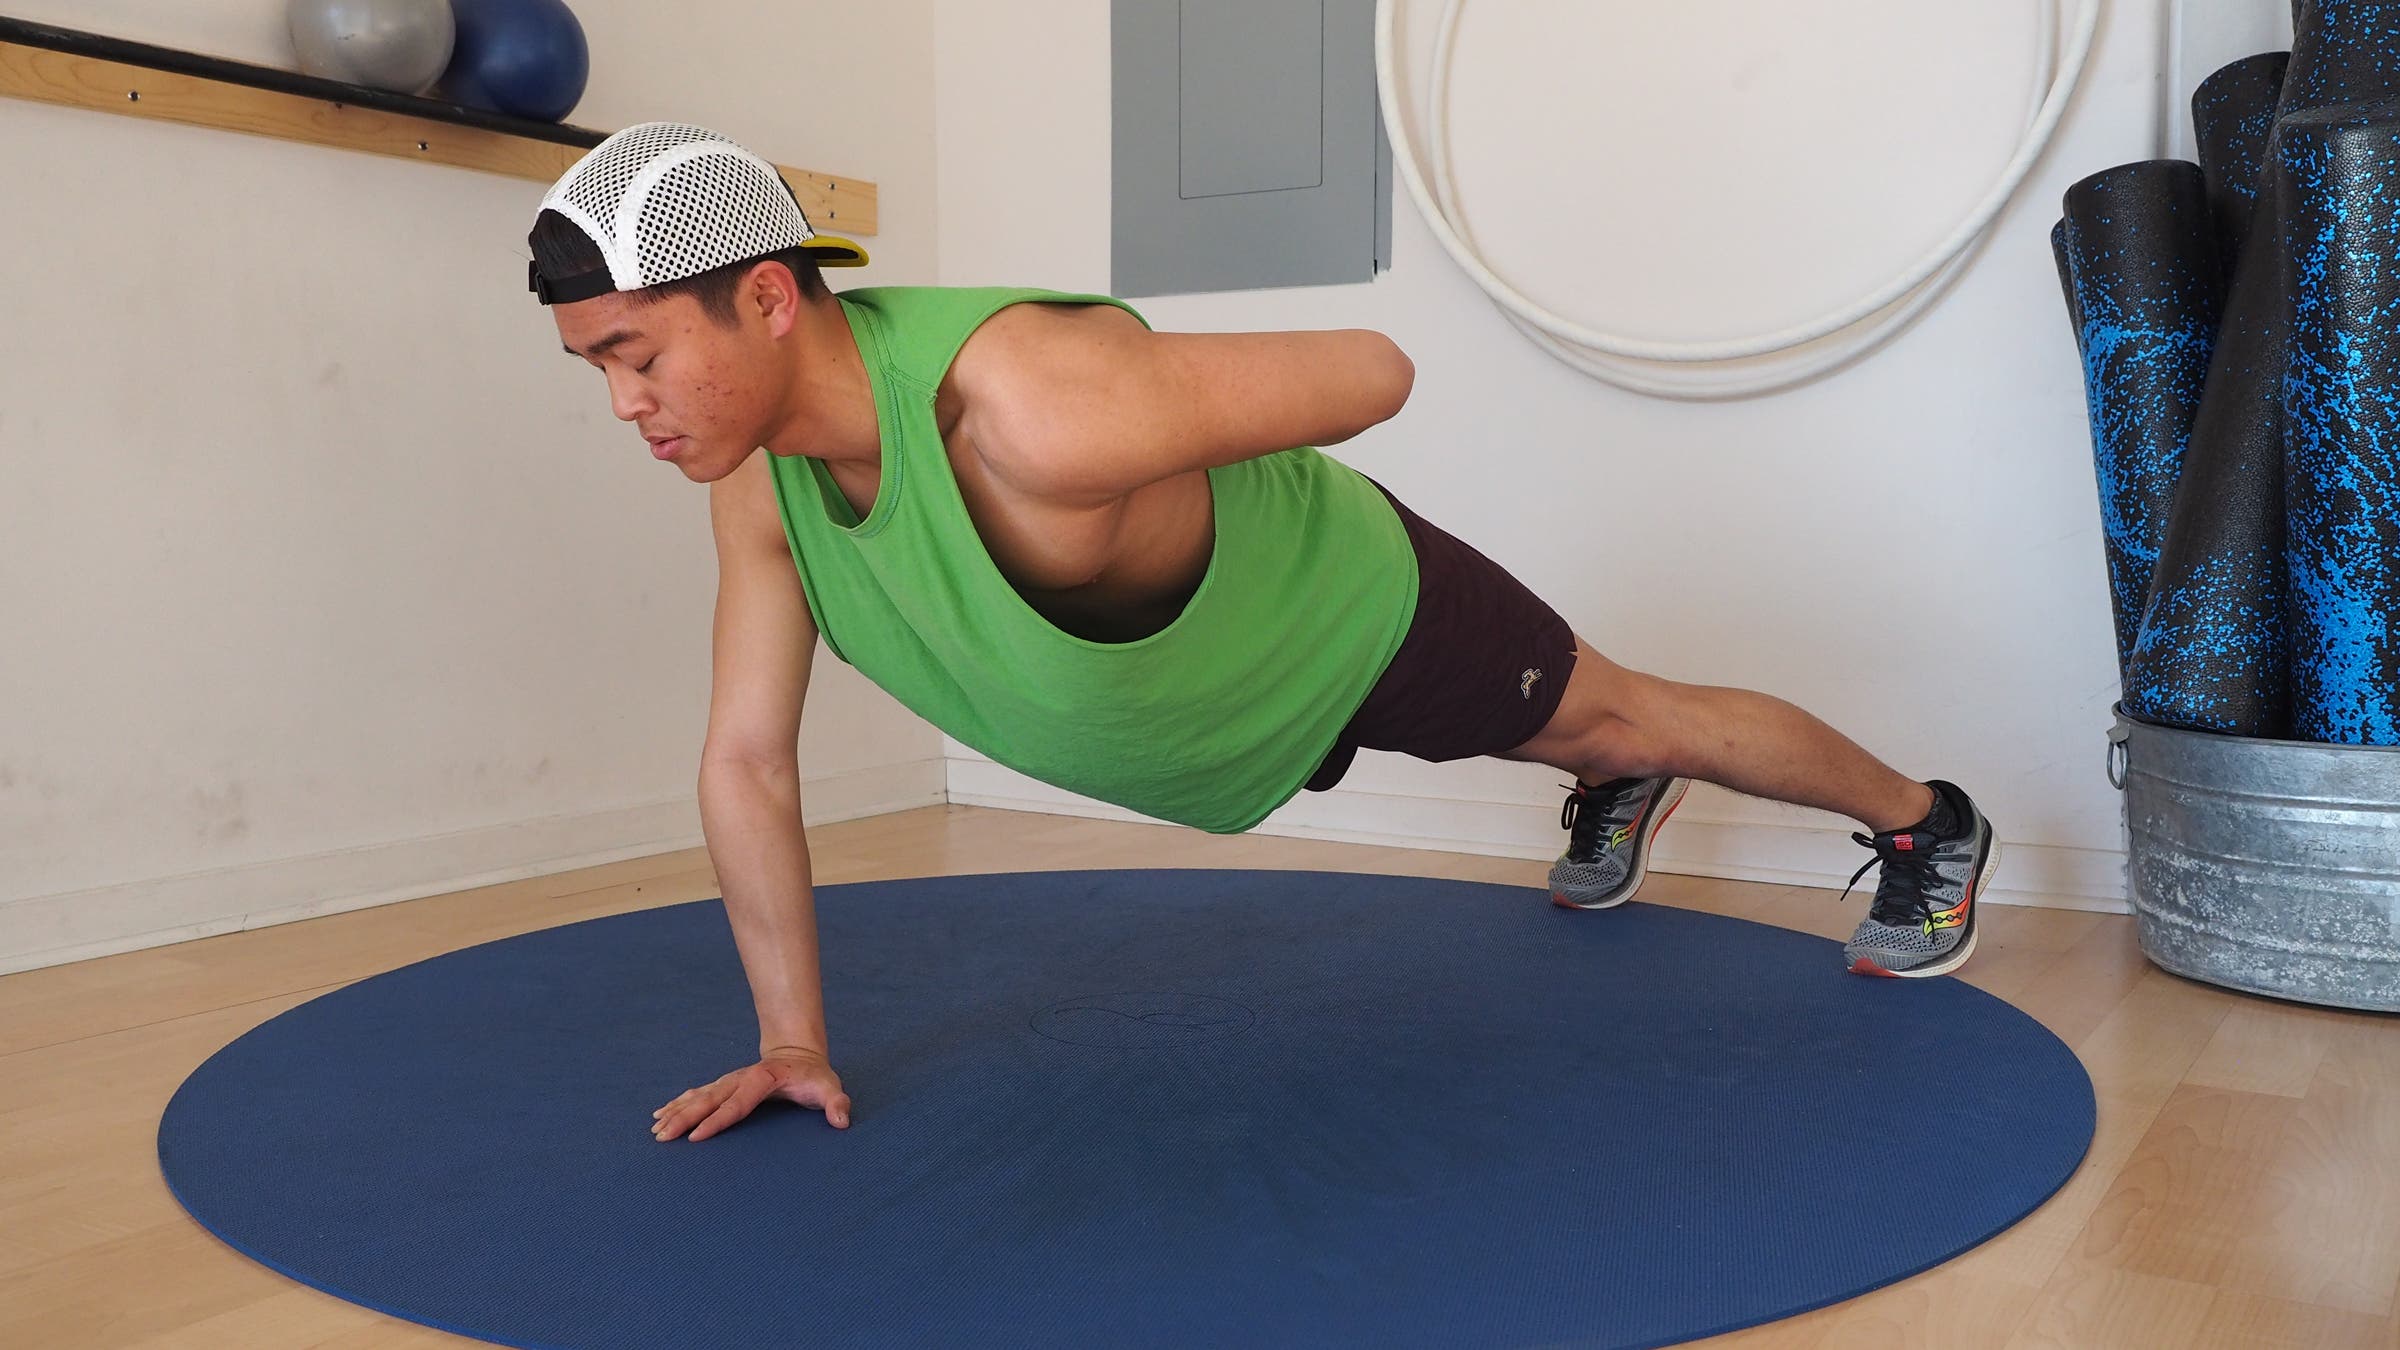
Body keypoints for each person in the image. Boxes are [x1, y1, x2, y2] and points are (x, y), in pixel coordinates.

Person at [526, 124, 2001, 1144]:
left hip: (1354, 616)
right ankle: (1619, 794)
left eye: (637, 355)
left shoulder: (1031, 399)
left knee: (1626, 711)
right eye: (598, 367)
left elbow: (1378, 363)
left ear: (767, 297)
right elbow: (746, 763)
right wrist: (794, 1046)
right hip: (1221, 699)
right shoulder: (763, 490)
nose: (624, 406)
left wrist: (1155, 409)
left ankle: (1926, 819)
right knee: (1607, 727)